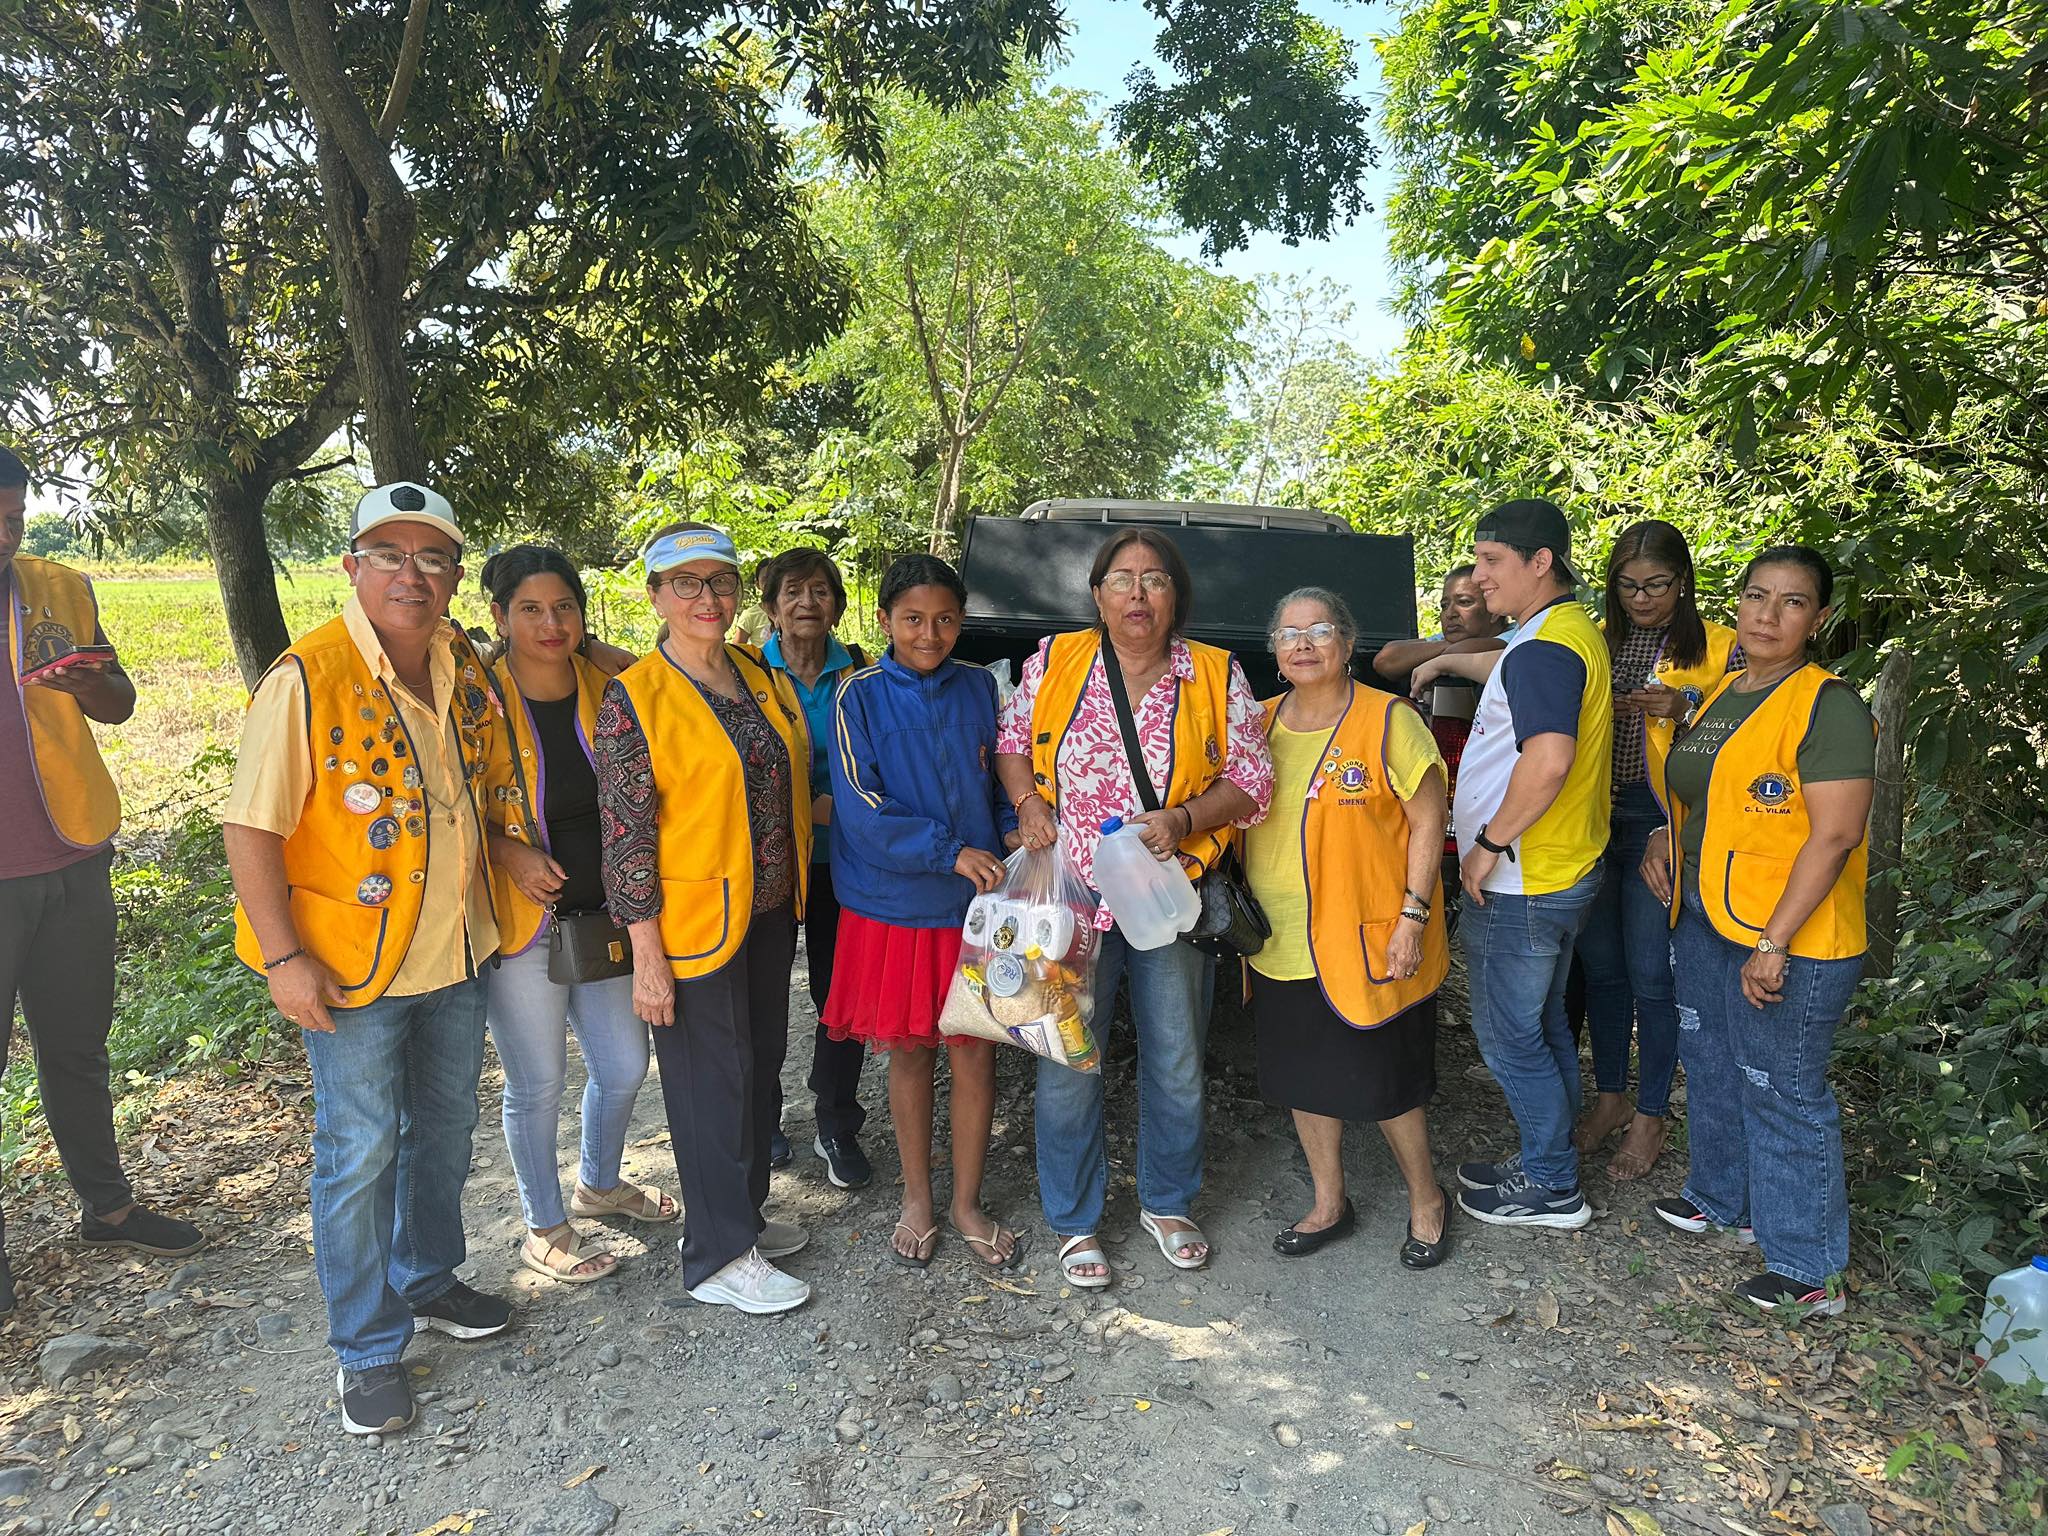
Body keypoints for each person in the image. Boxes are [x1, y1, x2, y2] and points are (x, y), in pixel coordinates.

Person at [223, 482, 513, 1437]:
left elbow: (476, 788)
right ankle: (366, 1348)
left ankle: (428, 1279)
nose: (411, 574)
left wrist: (510, 852)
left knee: (441, 1133)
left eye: (431, 558)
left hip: (455, 953)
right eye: (388, 554)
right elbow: (251, 828)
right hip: (349, 968)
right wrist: (281, 959)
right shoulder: (306, 676)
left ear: (456, 576)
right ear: (352, 567)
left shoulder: (462, 660)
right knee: (357, 1155)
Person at [995, 528, 1273, 1288]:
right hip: (1070, 898)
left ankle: (1169, 1201)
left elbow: (1252, 781)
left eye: (1155, 580)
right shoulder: (1055, 661)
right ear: (1098, 594)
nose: (1138, 594)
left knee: (1177, 1058)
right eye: (1123, 579)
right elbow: (1012, 738)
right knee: (1066, 1062)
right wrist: (1025, 802)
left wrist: (1182, 820)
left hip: (1164, 894)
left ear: (1175, 596)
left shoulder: (1216, 673)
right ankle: (1075, 1220)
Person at [0, 446, 204, 1319]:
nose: (4, 536)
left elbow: (118, 701)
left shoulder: (58, 586)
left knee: (77, 1045)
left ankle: (109, 1207)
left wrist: (92, 683)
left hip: (74, 847)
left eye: (12, 519)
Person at [1641, 546, 1872, 1315]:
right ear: (1734, 606)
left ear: (1820, 618)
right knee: (1709, 1058)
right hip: (1708, 915)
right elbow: (1709, 796)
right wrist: (1662, 837)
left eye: (1793, 601)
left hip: (1787, 933)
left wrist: (1773, 943)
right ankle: (1724, 1199)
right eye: (1756, 596)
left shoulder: (1827, 704)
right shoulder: (1726, 691)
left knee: (1782, 1086)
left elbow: (1834, 835)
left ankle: (1809, 1268)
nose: (1769, 615)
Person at [595, 522, 814, 1315]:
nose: (705, 598)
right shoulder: (636, 697)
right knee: (706, 1082)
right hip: (688, 925)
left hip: (762, 912)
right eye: (684, 583)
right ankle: (717, 1254)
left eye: (719, 581)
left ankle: (743, 1217)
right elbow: (624, 839)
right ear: (655, 595)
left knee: (756, 1067)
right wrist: (646, 956)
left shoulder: (758, 675)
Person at [1411, 498, 1612, 1232]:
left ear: (1541, 563)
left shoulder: (1543, 649)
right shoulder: (1565, 632)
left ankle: (1554, 1186)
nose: (1482, 577)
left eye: (1494, 562)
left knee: (1508, 1037)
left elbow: (1549, 759)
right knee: (1544, 1027)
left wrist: (1489, 844)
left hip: (1525, 876)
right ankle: (1546, 1158)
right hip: (1559, 869)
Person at [477, 546, 672, 1286]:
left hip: (608, 916)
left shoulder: (609, 683)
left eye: (565, 607)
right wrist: (506, 851)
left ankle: (599, 1183)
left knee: (625, 1064)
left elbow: (662, 674)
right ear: (498, 616)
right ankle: (544, 1224)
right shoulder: (476, 696)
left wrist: (591, 646)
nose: (549, 623)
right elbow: (449, 806)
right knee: (537, 1081)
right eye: (529, 609)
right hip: (521, 921)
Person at [1244, 588, 1452, 1268]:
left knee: (1386, 1081)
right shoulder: (1259, 723)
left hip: (1367, 936)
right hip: (1278, 938)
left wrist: (1413, 917)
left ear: (1348, 642)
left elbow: (1428, 819)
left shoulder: (1388, 719)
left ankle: (1427, 1198)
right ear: (1275, 653)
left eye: (1319, 630)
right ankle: (1330, 1201)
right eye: (1289, 634)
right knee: (1303, 1078)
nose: (1303, 644)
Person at [825, 555, 1022, 1269]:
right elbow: (862, 807)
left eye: (944, 619)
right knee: (908, 1053)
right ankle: (918, 1197)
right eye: (912, 619)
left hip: (975, 907)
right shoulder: (859, 696)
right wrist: (949, 850)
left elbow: (1004, 777)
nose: (929, 633)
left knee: (974, 1056)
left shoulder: (982, 687)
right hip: (896, 907)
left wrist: (1010, 830)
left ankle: (968, 1202)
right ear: (883, 621)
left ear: (961, 620)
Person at [1572, 520, 1742, 1181]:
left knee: (1650, 972)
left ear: (1684, 581)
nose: (1643, 598)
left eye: (1658, 585)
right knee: (1604, 967)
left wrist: (1683, 703)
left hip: (1660, 819)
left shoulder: (1719, 646)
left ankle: (1651, 1112)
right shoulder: (1595, 640)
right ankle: (1611, 1096)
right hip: (1592, 815)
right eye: (1629, 585)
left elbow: (1742, 733)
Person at [757, 548, 873, 1189]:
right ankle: (765, 1118)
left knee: (839, 998)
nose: (807, 602)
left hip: (842, 863)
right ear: (772, 606)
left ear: (837, 603)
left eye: (821, 590)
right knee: (763, 998)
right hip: (768, 864)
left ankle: (837, 1121)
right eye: (793, 591)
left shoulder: (859, 673)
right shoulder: (742, 672)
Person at [1377, 564, 1513, 931]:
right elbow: (1385, 659)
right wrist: (1443, 649)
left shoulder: (1514, 639)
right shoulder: (1447, 640)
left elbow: (1479, 647)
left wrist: (1440, 655)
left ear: (1495, 607)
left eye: (1465, 602)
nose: (1450, 612)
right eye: (1444, 603)